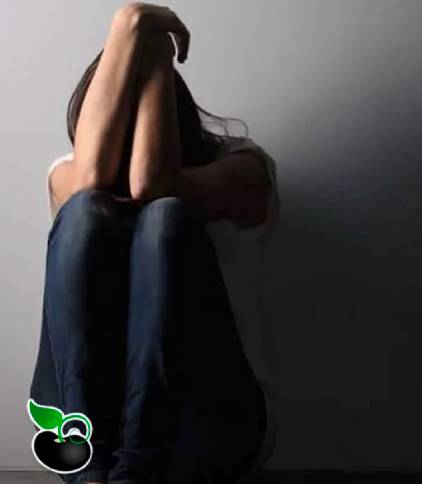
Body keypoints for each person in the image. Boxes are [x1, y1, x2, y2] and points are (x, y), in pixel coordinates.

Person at [28, 3, 279, 483]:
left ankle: (134, 470)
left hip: (207, 429)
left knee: (165, 216)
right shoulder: (67, 176)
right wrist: (129, 22)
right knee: (85, 211)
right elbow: (93, 176)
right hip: (82, 438)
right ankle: (93, 466)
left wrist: (156, 55)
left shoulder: (245, 169)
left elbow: (153, 185)